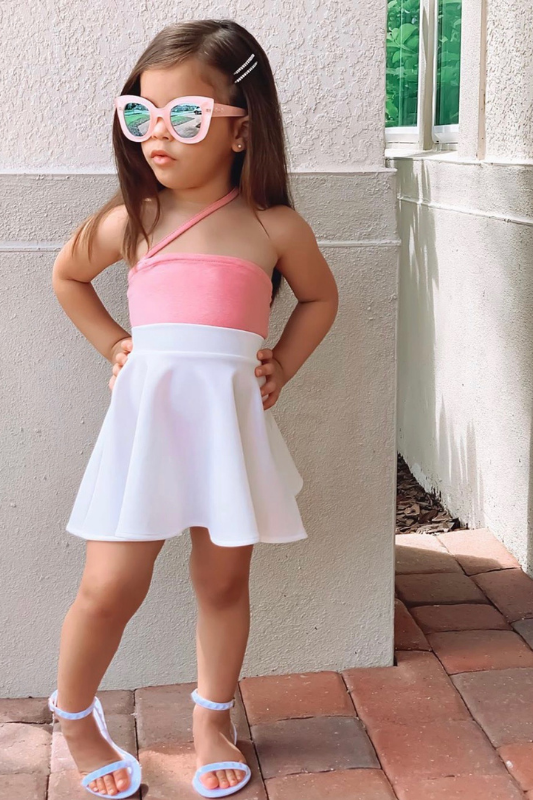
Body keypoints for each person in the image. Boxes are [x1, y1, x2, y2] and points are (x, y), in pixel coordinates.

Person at [48, 18, 339, 800]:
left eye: (186, 117)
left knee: (220, 582)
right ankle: (75, 717)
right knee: (108, 586)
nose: (157, 137)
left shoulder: (274, 227)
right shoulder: (132, 221)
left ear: (241, 128)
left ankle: (211, 718)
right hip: (146, 426)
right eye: (139, 116)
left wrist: (284, 363)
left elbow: (318, 299)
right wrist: (114, 342)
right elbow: (67, 277)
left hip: (227, 427)